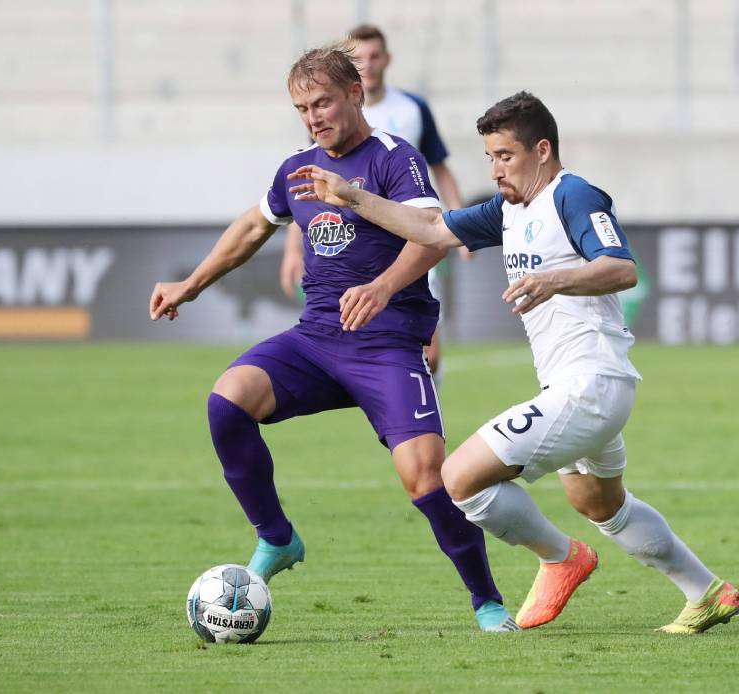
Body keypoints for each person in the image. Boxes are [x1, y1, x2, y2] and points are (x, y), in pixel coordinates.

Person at [287, 91, 739, 633]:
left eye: (506, 155)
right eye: (490, 158)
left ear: (542, 150)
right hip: (579, 387)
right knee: (601, 505)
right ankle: (707, 591)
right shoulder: (506, 210)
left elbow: (620, 268)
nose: (496, 168)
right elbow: (432, 231)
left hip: (591, 383)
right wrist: (352, 197)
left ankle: (559, 557)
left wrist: (555, 278)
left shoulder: (573, 195)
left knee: (459, 479)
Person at [149, 46, 516, 633]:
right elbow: (251, 228)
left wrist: (383, 286)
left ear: (356, 94)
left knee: (425, 477)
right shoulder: (297, 167)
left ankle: (487, 601)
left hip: (389, 343)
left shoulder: (395, 159)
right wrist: (191, 284)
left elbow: (430, 234)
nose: (313, 116)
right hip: (317, 340)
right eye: (302, 108)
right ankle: (277, 538)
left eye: (322, 102)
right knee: (228, 399)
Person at [280, 24, 465, 383]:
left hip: (413, 236)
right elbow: (307, 186)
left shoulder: (412, 109)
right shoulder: (326, 113)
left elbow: (439, 168)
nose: (367, 63)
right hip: (355, 245)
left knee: (430, 352)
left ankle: (423, 421)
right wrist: (293, 249)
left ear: (386, 60)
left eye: (373, 56)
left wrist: (454, 221)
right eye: (359, 57)